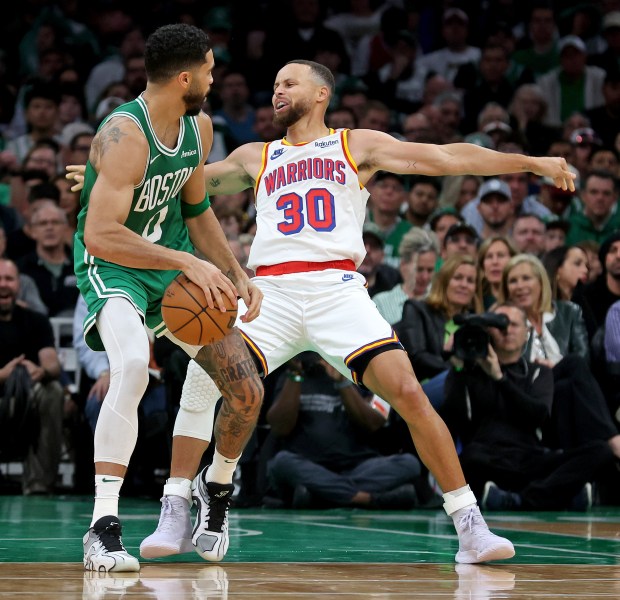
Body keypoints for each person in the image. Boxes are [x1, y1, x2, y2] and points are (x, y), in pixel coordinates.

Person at [70, 59, 576, 566]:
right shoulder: (255, 155)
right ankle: (178, 502)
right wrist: (110, 172)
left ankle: (470, 524)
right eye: (273, 85)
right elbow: (180, 185)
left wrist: (530, 163)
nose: (277, 92)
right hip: (270, 291)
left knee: (407, 392)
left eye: (288, 83)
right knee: (205, 380)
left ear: (321, 94)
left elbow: (446, 156)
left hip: (337, 289)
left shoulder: (356, 145)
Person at [72, 24, 263, 573]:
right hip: (117, 269)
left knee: (245, 389)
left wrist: (232, 271)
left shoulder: (199, 129)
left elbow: (198, 211)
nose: (212, 76)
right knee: (132, 366)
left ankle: (215, 488)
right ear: (185, 77)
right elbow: (100, 233)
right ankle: (102, 528)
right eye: (207, 68)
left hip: (173, 268)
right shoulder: (124, 134)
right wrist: (187, 262)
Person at [441, 302, 613, 511]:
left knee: (600, 451)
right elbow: (455, 419)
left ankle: (519, 499)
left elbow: (538, 415)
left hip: (531, 458)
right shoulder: (469, 374)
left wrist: (499, 378)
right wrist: (457, 364)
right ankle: (556, 495)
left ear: (527, 332)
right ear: (487, 331)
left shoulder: (538, 372)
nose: (506, 330)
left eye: (513, 325)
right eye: (499, 325)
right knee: (467, 461)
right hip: (487, 458)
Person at [498, 254, 620, 460]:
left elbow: (584, 362)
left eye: (526, 278)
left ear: (541, 281)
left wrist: (554, 366)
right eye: (513, 281)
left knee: (567, 386)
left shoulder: (569, 311)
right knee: (571, 364)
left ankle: (571, 463)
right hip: (530, 391)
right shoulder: (504, 322)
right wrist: (545, 369)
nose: (519, 286)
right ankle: (613, 439)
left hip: (565, 389)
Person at [266, 352, 421, 510]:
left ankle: (322, 496)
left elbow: (373, 424)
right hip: (309, 464)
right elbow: (280, 428)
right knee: (281, 463)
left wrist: (343, 383)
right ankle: (366, 499)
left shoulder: (357, 376)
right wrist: (296, 375)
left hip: (356, 466)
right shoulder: (290, 378)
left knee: (410, 463)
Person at [0, 258, 65, 495]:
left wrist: (40, 371)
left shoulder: (35, 321)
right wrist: (4, 375)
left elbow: (52, 363)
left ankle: (38, 483)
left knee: (53, 391)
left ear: (19, 284)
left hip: (26, 399)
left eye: (8, 279)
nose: (3, 285)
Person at [396, 254, 480, 409]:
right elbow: (416, 356)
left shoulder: (476, 323)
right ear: (444, 281)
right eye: (458, 278)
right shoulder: (417, 309)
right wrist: (456, 371)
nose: (464, 285)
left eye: (470, 281)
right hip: (422, 389)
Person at [476, 236, 518, 309]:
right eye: (489, 257)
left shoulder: (523, 300)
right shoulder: (475, 303)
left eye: (500, 255)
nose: (495, 262)